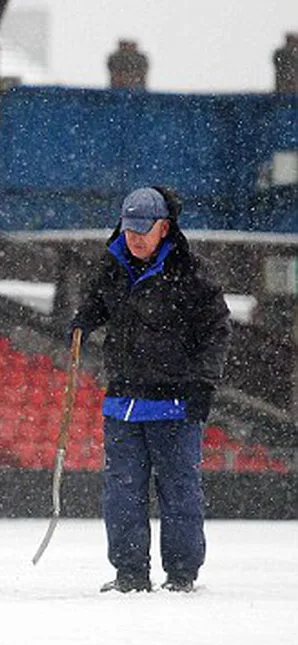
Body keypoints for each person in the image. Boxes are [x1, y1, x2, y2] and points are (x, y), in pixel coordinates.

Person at [69, 186, 230, 594]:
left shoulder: (193, 274)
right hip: (123, 403)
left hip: (175, 405)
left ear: (164, 227)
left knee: (179, 493)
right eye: (129, 229)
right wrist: (84, 318)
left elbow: (216, 332)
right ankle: (129, 574)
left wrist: (203, 383)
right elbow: (96, 303)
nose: (134, 237)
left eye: (143, 229)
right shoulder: (112, 265)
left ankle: (181, 575)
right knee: (121, 494)